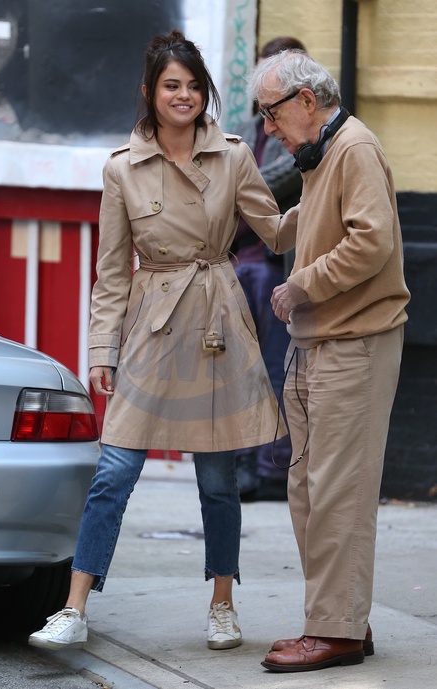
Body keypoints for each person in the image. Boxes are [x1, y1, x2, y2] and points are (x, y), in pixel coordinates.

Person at [28, 29, 291, 653]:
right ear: (149, 91)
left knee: (218, 479)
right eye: (172, 85)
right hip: (151, 325)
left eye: (194, 86)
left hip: (215, 326)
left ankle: (222, 604)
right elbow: (111, 271)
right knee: (114, 471)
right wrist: (102, 350)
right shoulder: (121, 167)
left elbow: (277, 232)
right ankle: (73, 608)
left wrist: (325, 178)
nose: (184, 96)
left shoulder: (233, 157)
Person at [247, 51, 410, 672]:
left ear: (306, 101)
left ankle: (333, 632)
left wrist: (301, 284)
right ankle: (343, 619)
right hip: (320, 344)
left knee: (338, 491)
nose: (269, 129)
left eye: (272, 114)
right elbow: (308, 221)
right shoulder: (324, 152)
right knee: (309, 490)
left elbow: (371, 240)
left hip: (354, 343)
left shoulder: (354, 147)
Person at [230, 36, 306, 502]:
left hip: (277, 267)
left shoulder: (305, 132)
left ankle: (271, 468)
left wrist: (233, 192)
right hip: (236, 262)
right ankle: (242, 462)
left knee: (278, 370)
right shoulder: (243, 128)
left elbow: (278, 181)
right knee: (239, 369)